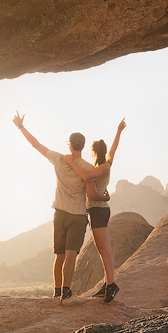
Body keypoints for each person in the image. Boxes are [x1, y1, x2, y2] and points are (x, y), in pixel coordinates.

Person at [12, 113, 104, 301]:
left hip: (59, 214)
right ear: (83, 146)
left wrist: (21, 127)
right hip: (77, 215)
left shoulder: (59, 159)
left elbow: (36, 144)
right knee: (71, 255)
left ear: (69, 144)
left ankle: (56, 292)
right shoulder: (86, 167)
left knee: (59, 255)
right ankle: (66, 292)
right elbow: (91, 192)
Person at [84, 119, 126, 303]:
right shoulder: (107, 164)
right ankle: (108, 283)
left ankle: (111, 285)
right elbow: (114, 149)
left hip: (97, 209)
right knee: (104, 249)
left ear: (93, 152)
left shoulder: (98, 169)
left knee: (104, 249)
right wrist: (118, 131)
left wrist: (105, 197)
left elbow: (92, 194)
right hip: (100, 211)